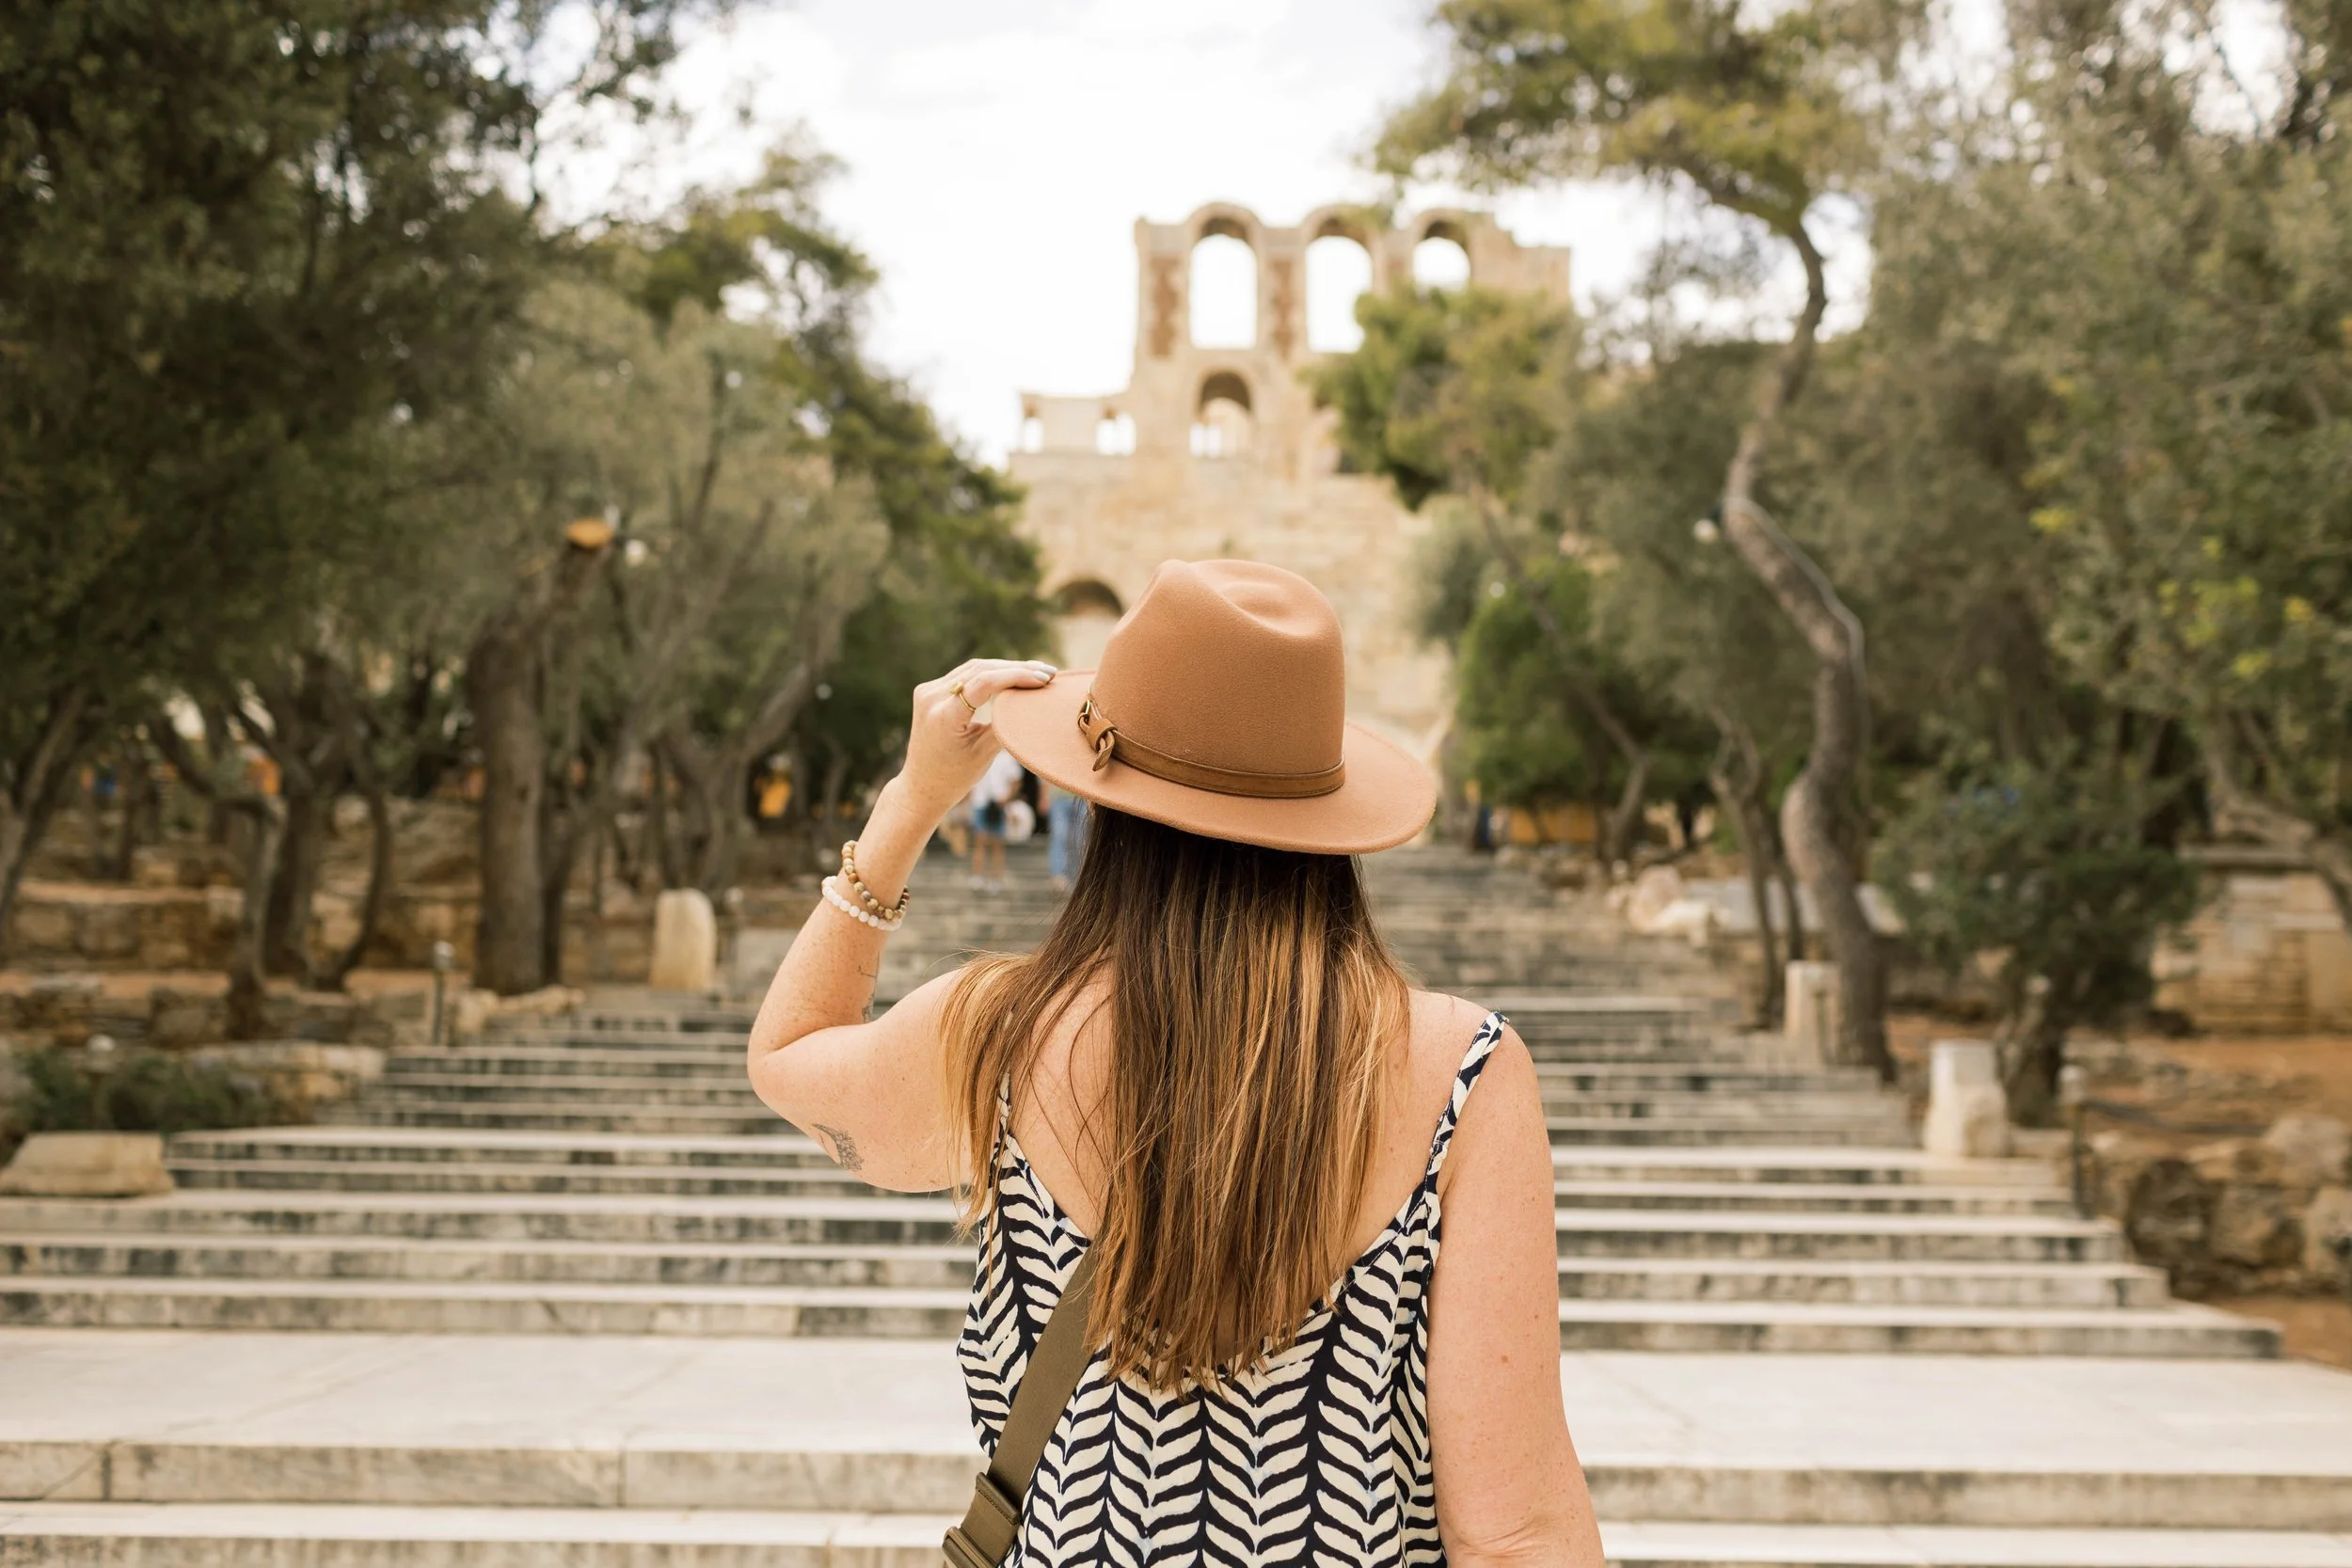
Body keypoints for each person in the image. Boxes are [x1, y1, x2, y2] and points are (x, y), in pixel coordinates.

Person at [747, 560, 1603, 1567]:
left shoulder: (996, 1033)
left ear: (1101, 798)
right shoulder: (1464, 1073)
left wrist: (913, 797)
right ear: (1325, 818)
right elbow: (1511, 1532)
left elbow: (788, 1053)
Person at [967, 744, 1023, 890]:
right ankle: (977, 877)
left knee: (997, 844)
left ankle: (995, 879)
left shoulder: (1007, 757)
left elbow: (1016, 781)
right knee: (980, 841)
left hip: (999, 804)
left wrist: (1006, 798)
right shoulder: (980, 753)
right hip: (981, 803)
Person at [1043, 780, 1088, 891]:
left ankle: (1079, 874)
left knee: (1080, 839)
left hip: (1082, 797)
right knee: (1059, 835)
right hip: (1059, 797)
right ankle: (1058, 874)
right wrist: (1044, 796)